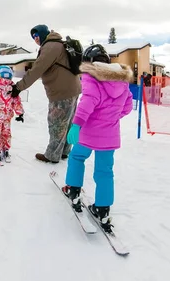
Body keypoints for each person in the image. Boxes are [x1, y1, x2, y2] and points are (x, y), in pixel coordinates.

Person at [61, 44, 133, 229]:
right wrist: (111, 118)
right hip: (110, 136)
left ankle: (74, 190)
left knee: (77, 157)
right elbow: (127, 107)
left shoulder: (91, 78)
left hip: (88, 134)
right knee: (105, 172)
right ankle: (103, 210)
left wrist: (76, 125)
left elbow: (87, 104)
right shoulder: (121, 81)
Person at [10, 24, 81, 163]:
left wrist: (18, 87)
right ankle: (64, 151)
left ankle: (53, 155)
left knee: (57, 123)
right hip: (73, 88)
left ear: (43, 34)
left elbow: (37, 69)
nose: (35, 39)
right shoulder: (59, 44)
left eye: (36, 36)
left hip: (62, 91)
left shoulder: (50, 47)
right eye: (33, 37)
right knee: (67, 122)